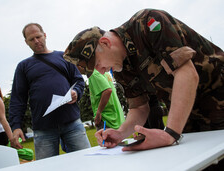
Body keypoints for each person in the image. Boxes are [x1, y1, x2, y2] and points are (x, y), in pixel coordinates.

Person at [63, 9, 224, 152]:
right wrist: (120, 133)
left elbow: (187, 74)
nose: (101, 71)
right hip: (189, 116)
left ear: (105, 43)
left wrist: (171, 133)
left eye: (98, 64)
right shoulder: (121, 68)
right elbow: (139, 107)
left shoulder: (148, 24)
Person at [9, 23, 91, 160]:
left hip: (71, 122)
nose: (36, 41)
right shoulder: (24, 66)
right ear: (26, 42)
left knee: (88, 162)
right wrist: (16, 126)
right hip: (43, 128)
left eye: (38, 36)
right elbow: (18, 98)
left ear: (45, 35)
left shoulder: (64, 57)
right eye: (31, 39)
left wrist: (76, 92)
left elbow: (79, 81)